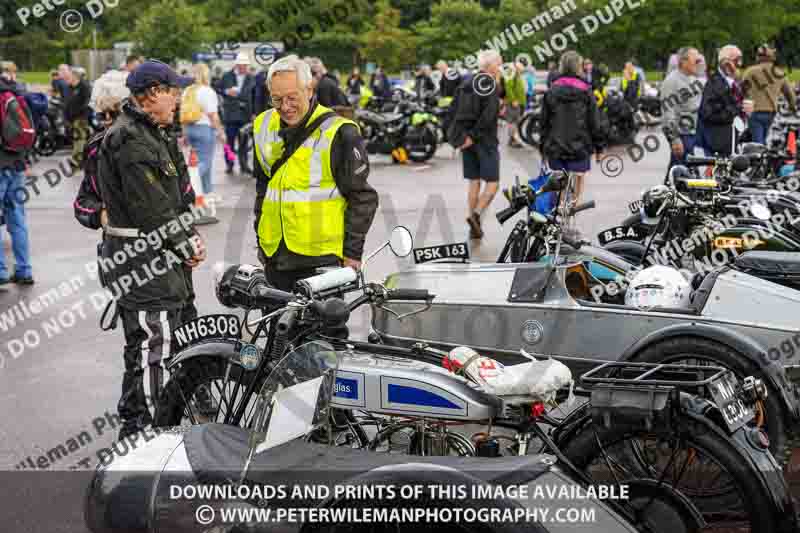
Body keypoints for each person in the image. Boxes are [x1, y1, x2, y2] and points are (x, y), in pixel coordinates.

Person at [97, 60, 205, 439]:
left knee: (148, 345)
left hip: (156, 260)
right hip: (144, 263)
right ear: (154, 93)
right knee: (151, 348)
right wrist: (185, 242)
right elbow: (153, 208)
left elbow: (175, 200)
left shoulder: (151, 132)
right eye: (174, 91)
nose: (178, 99)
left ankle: (136, 420)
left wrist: (188, 236)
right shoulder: (130, 139)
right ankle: (151, 436)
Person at [252, 55, 378, 292]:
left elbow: (363, 198)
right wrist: (260, 238)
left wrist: (352, 255)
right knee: (276, 327)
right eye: (276, 99)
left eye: (292, 97)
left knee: (322, 329)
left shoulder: (340, 132)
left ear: (309, 89)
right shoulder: (263, 124)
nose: (285, 107)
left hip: (321, 260)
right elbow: (263, 187)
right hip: (275, 256)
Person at [539, 50, 606, 208]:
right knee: (579, 178)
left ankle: (558, 212)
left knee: (558, 182)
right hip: (580, 147)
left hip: (556, 146)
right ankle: (573, 210)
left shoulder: (552, 90)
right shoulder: (586, 90)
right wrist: (599, 147)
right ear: (578, 66)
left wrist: (542, 147)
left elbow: (544, 122)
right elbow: (594, 122)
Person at [449, 49, 503, 240]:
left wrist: (460, 138)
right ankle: (476, 215)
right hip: (484, 140)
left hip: (466, 141)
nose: (501, 67)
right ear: (489, 66)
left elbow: (453, 110)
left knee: (474, 181)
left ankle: (474, 228)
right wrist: (472, 136)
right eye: (499, 63)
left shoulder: (466, 82)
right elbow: (488, 116)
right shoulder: (490, 85)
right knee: (493, 183)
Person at [0, 65, 34, 285]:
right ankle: (24, 269)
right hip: (17, 164)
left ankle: (1, 272)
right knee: (17, 218)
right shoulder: (13, 92)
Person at [697, 45, 752, 156]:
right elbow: (708, 113)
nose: (739, 65)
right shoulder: (715, 83)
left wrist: (744, 111)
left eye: (740, 60)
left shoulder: (733, 82)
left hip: (731, 140)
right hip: (718, 141)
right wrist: (738, 108)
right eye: (737, 60)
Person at [182, 63, 225, 201]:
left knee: (204, 161)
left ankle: (207, 192)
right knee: (204, 163)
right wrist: (221, 132)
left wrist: (184, 134)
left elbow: (182, 114)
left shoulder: (187, 91)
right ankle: (186, 186)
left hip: (189, 128)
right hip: (204, 129)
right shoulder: (207, 91)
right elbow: (213, 115)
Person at [742, 44, 797, 145]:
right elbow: (790, 95)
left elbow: (740, 91)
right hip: (772, 114)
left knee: (757, 144)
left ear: (759, 57)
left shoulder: (750, 72)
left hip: (754, 112)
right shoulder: (779, 73)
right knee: (769, 143)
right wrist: (792, 108)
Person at [661, 46, 704, 168]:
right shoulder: (671, 81)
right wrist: (674, 139)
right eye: (695, 59)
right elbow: (668, 112)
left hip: (690, 133)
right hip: (681, 135)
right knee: (679, 171)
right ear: (683, 62)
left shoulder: (692, 79)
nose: (698, 62)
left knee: (684, 171)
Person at [221, 52, 256, 174]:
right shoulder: (226, 76)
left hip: (245, 115)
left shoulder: (251, 77)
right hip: (231, 115)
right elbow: (219, 88)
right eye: (242, 65)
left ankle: (244, 165)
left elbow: (254, 96)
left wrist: (254, 113)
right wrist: (226, 91)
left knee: (244, 142)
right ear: (237, 65)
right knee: (229, 141)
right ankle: (229, 164)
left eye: (246, 65)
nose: (244, 68)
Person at [60, 64, 91, 166]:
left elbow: (87, 102)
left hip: (81, 117)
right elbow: (66, 102)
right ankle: (79, 158)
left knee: (79, 139)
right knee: (76, 138)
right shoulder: (70, 87)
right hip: (71, 118)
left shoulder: (84, 86)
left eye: (71, 76)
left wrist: (80, 112)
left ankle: (77, 160)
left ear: (76, 76)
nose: (69, 78)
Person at [503, 62, 527, 148]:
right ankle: (513, 140)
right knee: (513, 122)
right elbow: (508, 88)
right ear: (517, 68)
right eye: (521, 69)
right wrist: (513, 100)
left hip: (519, 102)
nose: (522, 71)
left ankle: (512, 139)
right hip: (514, 103)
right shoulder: (511, 74)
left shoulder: (516, 75)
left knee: (515, 122)